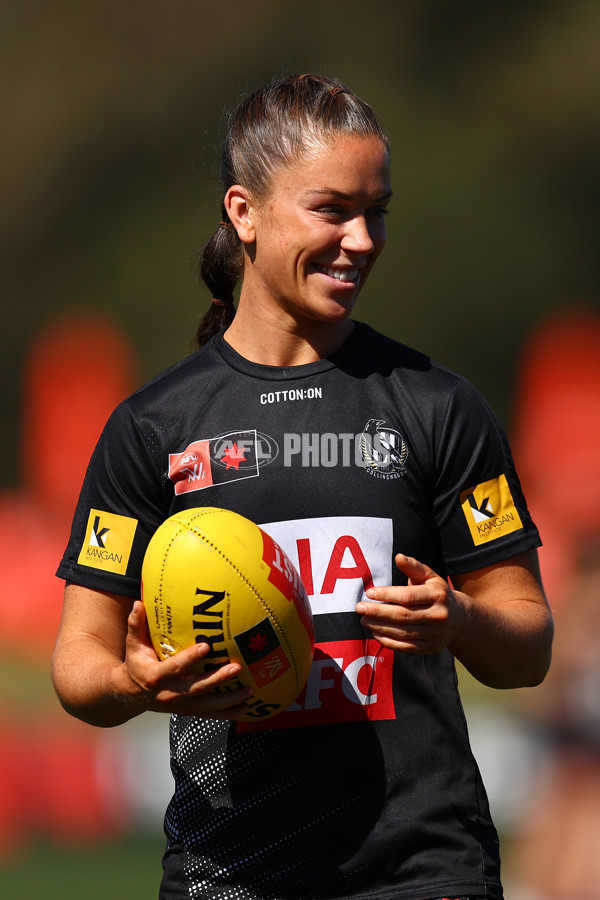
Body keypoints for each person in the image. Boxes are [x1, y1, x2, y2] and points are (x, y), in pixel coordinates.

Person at [52, 73, 553, 900]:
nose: (362, 239)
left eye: (378, 210)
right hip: (231, 874)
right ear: (244, 213)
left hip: (423, 871)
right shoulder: (154, 427)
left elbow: (528, 646)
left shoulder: (437, 406)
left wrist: (459, 618)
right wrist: (135, 683)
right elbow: (79, 666)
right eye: (332, 209)